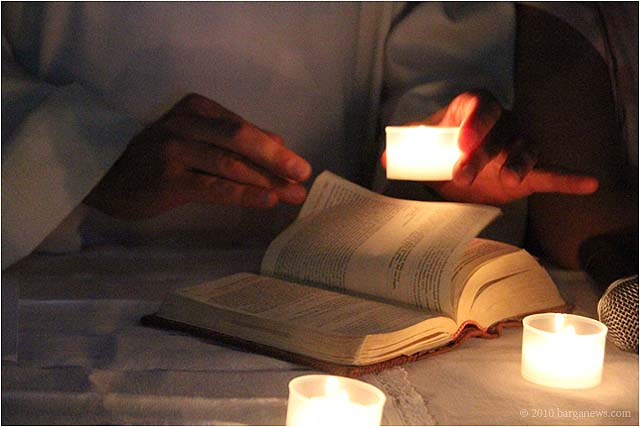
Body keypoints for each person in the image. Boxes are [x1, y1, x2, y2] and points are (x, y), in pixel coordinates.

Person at [1, 2, 605, 271]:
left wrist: (448, 166)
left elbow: (438, 66)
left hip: (324, 282)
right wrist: (85, 164)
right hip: (53, 261)